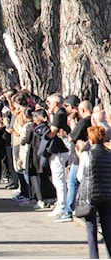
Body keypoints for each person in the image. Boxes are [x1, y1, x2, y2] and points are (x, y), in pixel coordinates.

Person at [76, 126, 111, 258]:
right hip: (107, 194)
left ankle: (94, 256)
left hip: (90, 196)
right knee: (107, 227)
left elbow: (80, 176)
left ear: (91, 139)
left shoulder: (87, 155)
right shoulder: (109, 154)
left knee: (91, 228)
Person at [45, 93, 70, 218]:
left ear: (56, 103)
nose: (48, 105)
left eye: (49, 102)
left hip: (60, 150)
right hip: (59, 149)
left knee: (58, 178)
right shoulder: (58, 114)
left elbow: (52, 133)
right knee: (57, 178)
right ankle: (61, 202)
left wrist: (43, 131)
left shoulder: (60, 114)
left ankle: (62, 204)